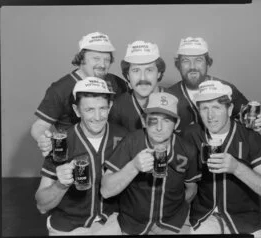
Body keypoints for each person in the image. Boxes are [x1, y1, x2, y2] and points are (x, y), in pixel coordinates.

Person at [182, 80, 261, 237]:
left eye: (216, 107)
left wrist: (237, 168)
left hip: (243, 221)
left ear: (229, 109)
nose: (210, 115)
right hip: (203, 219)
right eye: (204, 108)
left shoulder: (249, 136)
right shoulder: (191, 134)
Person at [35, 77, 128, 235]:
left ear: (110, 106)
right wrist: (60, 184)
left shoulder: (123, 136)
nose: (98, 117)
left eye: (102, 108)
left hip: (111, 222)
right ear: (77, 110)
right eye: (89, 109)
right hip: (68, 226)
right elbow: (41, 205)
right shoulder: (60, 143)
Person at [101, 92, 201, 235]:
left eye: (166, 120)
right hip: (133, 222)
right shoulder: (131, 141)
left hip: (172, 222)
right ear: (143, 120)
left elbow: (192, 189)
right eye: (153, 120)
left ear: (176, 123)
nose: (159, 127)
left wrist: (173, 208)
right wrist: (133, 166)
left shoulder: (187, 149)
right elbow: (105, 191)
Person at [31, 31, 129, 156]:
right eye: (96, 58)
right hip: (75, 154)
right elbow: (39, 125)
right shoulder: (60, 89)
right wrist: (43, 139)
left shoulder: (116, 83)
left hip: (111, 153)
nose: (102, 65)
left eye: (107, 60)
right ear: (81, 59)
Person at [169, 36, 261, 134]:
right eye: (186, 61)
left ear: (208, 63)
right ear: (178, 65)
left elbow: (245, 116)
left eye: (198, 60)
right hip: (184, 149)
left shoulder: (225, 89)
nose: (192, 66)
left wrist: (255, 122)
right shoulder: (169, 95)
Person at [108, 40, 168, 132]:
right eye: (136, 70)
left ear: (159, 73)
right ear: (128, 75)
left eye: (149, 70)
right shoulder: (118, 106)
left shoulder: (175, 100)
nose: (142, 77)